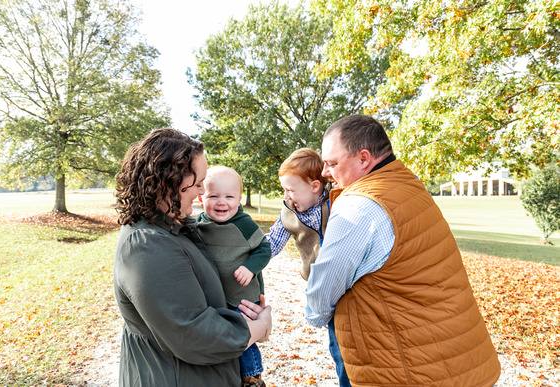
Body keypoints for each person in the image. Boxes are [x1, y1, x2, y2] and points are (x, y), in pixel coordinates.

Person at [305, 115, 501, 386]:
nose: (325, 172)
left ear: (363, 158)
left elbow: (326, 284)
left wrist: (316, 315)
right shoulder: (408, 184)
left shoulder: (358, 206)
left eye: (332, 163)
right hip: (455, 357)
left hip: (403, 367)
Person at [113, 128, 272, 387]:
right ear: (169, 182)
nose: (200, 192)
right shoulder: (147, 245)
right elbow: (192, 333)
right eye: (198, 183)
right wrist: (258, 328)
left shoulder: (173, 225)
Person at [195, 166, 272, 387]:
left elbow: (264, 248)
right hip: (219, 295)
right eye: (213, 196)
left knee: (243, 336)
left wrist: (250, 267)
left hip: (243, 296)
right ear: (201, 197)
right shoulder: (199, 223)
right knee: (223, 336)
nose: (222, 202)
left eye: (229, 197)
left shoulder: (244, 224)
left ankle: (253, 377)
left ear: (238, 199)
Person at [265, 148, 331, 280]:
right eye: (284, 189)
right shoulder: (289, 214)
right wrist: (249, 253)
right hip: (314, 278)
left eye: (290, 190)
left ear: (314, 187)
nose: (286, 196)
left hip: (342, 274)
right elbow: (273, 242)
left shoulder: (335, 199)